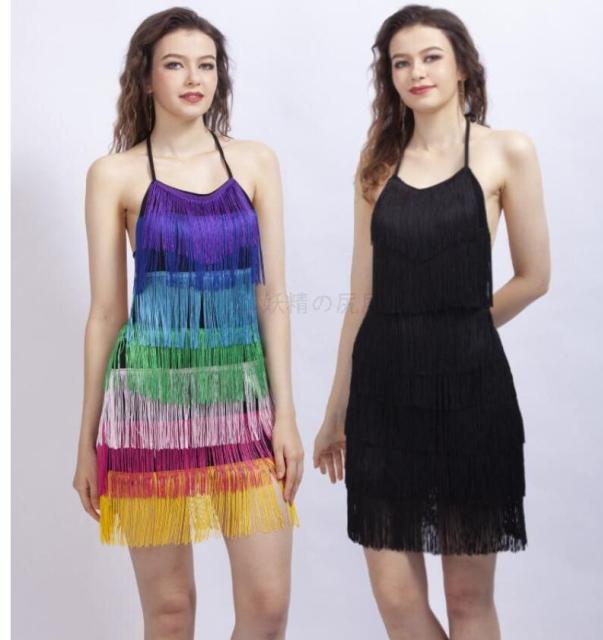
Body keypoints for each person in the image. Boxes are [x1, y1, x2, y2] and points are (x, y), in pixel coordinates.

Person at [313, 5, 550, 639]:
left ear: (462, 66)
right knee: (396, 599)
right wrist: (335, 411)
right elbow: (360, 297)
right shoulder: (376, 162)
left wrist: (460, 326)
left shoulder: (507, 150)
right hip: (383, 396)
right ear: (389, 77)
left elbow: (535, 277)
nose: (416, 72)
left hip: (472, 394)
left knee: (468, 600)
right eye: (401, 62)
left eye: (430, 57)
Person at [72, 8, 302, 639]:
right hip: (149, 403)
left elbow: (272, 297)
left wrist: (284, 415)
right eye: (175, 64)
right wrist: (87, 439)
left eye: (207, 65)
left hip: (242, 401)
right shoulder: (114, 174)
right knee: (170, 612)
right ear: (146, 78)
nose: (194, 78)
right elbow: (106, 314)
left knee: (267, 604)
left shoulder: (255, 162)